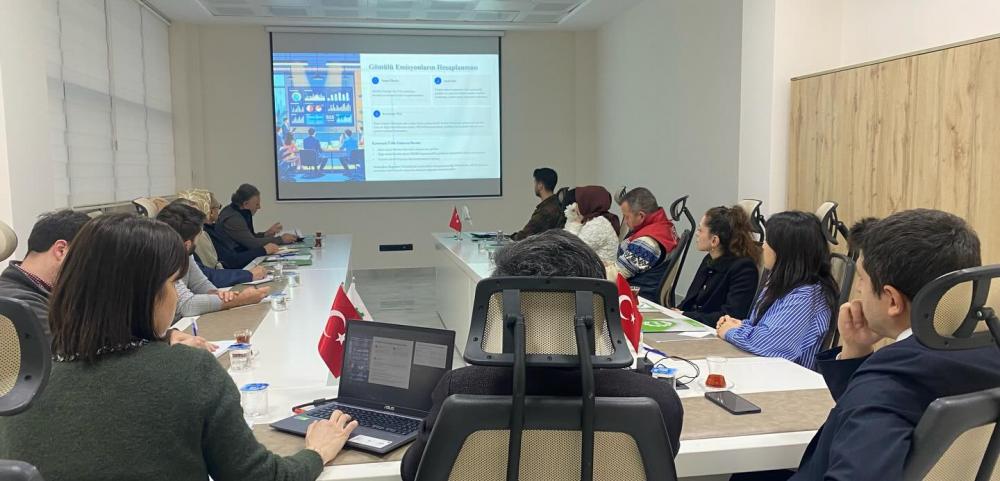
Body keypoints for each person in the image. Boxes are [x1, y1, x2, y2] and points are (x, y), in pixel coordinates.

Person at [0, 213, 358, 480]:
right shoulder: (188, 372)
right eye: (172, 283)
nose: (176, 297)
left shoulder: (20, 387)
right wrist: (316, 451)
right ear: (144, 293)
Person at [731, 210, 1000, 481]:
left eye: (861, 278)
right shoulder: (987, 352)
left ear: (892, 300)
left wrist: (871, 376)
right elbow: (869, 418)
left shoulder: (891, 380)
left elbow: (876, 418)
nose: (858, 289)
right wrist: (855, 353)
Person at [400, 230, 684, 481]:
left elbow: (415, 472)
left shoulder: (460, 388)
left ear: (501, 310)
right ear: (599, 311)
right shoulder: (657, 400)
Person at [716, 211, 838, 369]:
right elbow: (764, 329)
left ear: (785, 250)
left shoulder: (806, 296)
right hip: (764, 368)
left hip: (785, 377)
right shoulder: (781, 284)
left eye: (768, 241)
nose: (763, 246)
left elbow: (767, 344)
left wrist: (730, 331)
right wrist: (739, 326)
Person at [168, 207, 271, 321]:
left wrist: (219, 294)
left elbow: (200, 283)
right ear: (187, 244)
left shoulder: (184, 252)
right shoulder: (164, 258)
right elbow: (186, 305)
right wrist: (241, 299)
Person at [0, 210, 89, 336]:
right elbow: (66, 347)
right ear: (61, 250)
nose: (91, 269)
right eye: (88, 258)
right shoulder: (22, 304)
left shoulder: (38, 294)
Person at [677, 206, 761, 327]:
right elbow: (690, 299)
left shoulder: (744, 268)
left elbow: (731, 315)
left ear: (714, 240)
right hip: (695, 324)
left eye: (700, 230)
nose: (696, 234)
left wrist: (685, 315)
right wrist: (675, 313)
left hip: (714, 331)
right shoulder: (709, 259)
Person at [158, 200, 265, 288]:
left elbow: (202, 282)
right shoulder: (173, 257)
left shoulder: (183, 252)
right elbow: (210, 275)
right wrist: (247, 276)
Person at [614, 187, 678, 301]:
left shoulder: (646, 243)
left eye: (627, 217)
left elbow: (616, 275)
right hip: (645, 292)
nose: (625, 221)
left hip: (636, 298)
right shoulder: (664, 227)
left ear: (641, 216)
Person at [191, 190, 279, 269]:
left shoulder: (210, 228)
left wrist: (265, 235)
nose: (259, 207)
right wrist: (264, 250)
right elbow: (231, 260)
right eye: (218, 207)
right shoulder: (206, 233)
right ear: (210, 211)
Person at [217, 183, 297, 252]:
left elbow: (249, 237)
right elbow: (252, 244)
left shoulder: (238, 211)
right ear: (245, 204)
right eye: (257, 204)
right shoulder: (233, 219)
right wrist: (281, 239)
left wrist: (266, 234)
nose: (259, 207)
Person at [563, 185, 621, 264]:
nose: (575, 206)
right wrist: (572, 219)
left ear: (587, 203)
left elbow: (571, 250)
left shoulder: (598, 224)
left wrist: (575, 222)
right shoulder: (591, 219)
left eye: (579, 202)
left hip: (599, 271)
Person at [511, 167, 566, 240]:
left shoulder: (545, 211)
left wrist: (509, 238)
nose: (534, 186)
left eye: (535, 183)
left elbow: (524, 236)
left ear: (540, 185)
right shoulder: (556, 203)